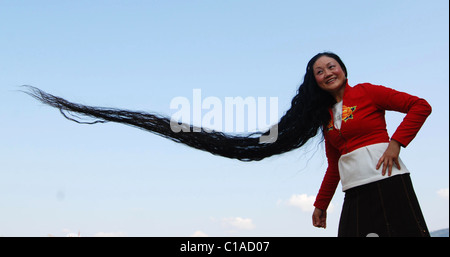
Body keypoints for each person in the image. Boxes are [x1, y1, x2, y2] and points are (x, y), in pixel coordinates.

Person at [23, 52, 431, 237]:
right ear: (314, 81)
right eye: (319, 71)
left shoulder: (370, 93)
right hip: (354, 191)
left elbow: (420, 106)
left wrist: (396, 143)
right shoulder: (324, 119)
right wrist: (321, 203)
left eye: (331, 66)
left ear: (344, 69)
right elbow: (332, 164)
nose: (327, 73)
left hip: (389, 181)